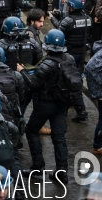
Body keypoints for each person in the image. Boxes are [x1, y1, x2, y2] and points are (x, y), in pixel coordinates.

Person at [17, 29, 81, 184]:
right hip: (62, 104)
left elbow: (33, 84)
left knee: (32, 131)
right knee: (59, 137)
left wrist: (23, 71)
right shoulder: (69, 58)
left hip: (45, 104)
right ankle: (61, 172)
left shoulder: (47, 63)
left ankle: (38, 166)